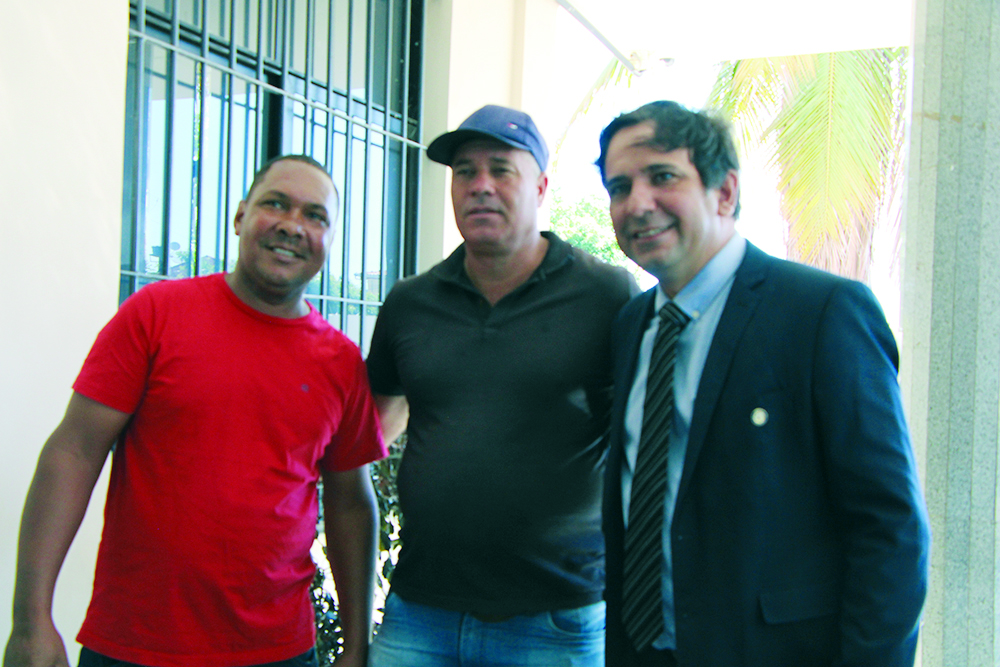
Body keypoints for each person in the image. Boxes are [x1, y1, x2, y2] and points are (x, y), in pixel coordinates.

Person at [3, 155, 386, 667]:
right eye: (276, 204)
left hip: (276, 652)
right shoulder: (156, 315)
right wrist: (31, 620)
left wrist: (356, 647)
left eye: (315, 215)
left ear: (330, 239)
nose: (292, 226)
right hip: (134, 646)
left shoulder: (340, 362)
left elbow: (351, 504)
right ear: (240, 217)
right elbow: (73, 453)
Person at [597, 101, 931, 667]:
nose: (637, 203)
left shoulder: (823, 314)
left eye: (663, 177)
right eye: (620, 187)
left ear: (725, 192)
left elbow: (890, 530)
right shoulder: (632, 324)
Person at [365, 104, 637, 666]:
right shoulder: (410, 303)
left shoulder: (607, 295)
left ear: (540, 186)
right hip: (420, 611)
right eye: (465, 171)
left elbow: (645, 443)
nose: (480, 185)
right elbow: (372, 428)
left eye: (501, 170)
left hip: (556, 619)